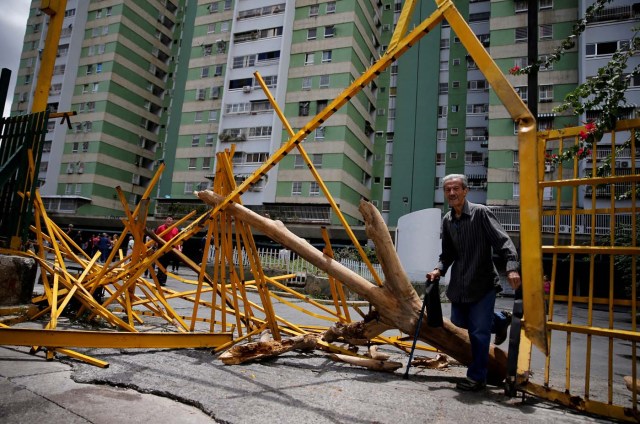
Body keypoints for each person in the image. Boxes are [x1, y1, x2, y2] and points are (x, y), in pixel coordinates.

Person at [427, 174, 521, 392]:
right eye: (448, 190)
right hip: (459, 286)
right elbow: (447, 254)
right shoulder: (447, 220)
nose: (452, 193)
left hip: (482, 283)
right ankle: (499, 321)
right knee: (459, 322)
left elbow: (503, 241)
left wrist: (512, 267)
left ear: (466, 191)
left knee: (478, 332)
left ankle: (477, 377)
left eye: (456, 189)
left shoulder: (481, 213)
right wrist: (438, 269)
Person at [155, 217, 179, 286]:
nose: (169, 220)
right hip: (161, 248)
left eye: (171, 219)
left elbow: (176, 240)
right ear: (165, 220)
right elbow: (156, 237)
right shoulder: (160, 228)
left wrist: (177, 249)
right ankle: (160, 280)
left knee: (165, 265)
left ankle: (161, 280)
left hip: (169, 249)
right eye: (168, 219)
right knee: (160, 264)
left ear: (173, 221)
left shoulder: (175, 229)